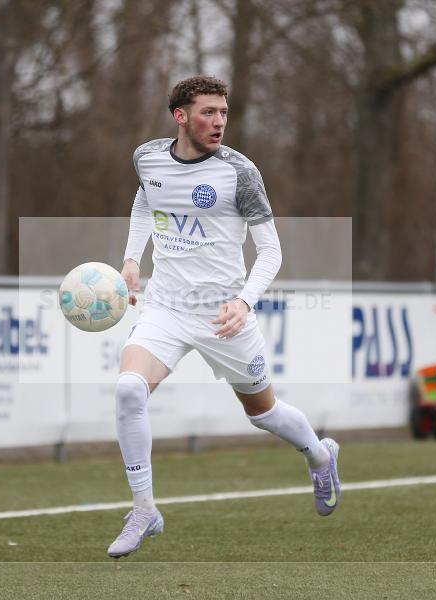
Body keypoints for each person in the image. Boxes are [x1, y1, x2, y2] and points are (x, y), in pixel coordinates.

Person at [107, 76, 340, 558]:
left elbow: (271, 251)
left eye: (223, 113)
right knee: (129, 391)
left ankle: (320, 456)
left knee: (264, 414)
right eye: (208, 112)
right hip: (166, 308)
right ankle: (144, 510)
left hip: (223, 316)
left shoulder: (240, 173)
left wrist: (244, 301)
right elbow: (146, 198)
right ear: (180, 116)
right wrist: (132, 258)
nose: (219, 122)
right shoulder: (147, 157)